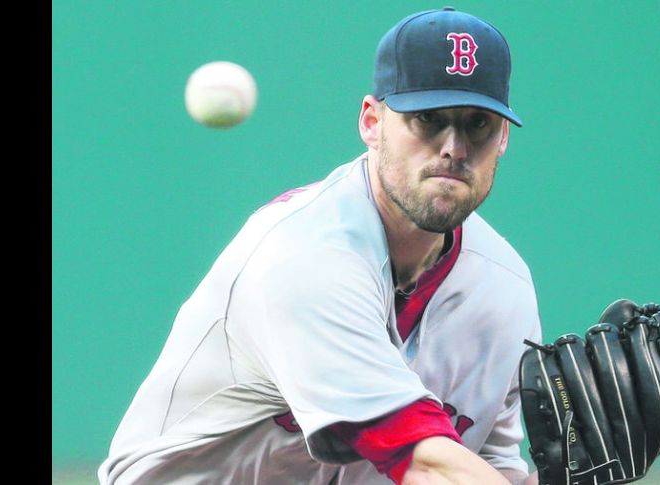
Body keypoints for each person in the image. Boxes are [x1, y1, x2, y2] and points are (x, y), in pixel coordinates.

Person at [99, 7, 541, 485]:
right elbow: (426, 463)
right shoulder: (305, 256)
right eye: (428, 118)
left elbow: (491, 471)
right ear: (371, 122)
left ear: (502, 141)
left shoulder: (504, 289)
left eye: (478, 124)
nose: (454, 147)